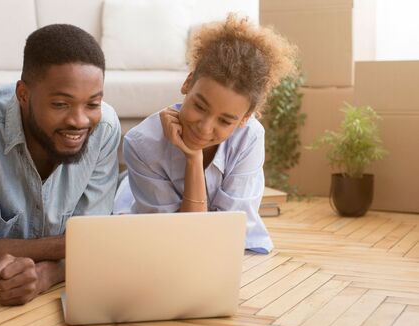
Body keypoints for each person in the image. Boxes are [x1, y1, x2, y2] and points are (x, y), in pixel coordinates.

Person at [114, 15, 296, 253]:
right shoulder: (142, 143)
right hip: (150, 225)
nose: (204, 128)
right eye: (200, 107)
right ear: (188, 83)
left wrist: (193, 156)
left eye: (225, 120)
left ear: (245, 118)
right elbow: (181, 242)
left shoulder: (249, 137)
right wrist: (194, 160)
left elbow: (224, 236)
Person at [0, 24, 121, 305]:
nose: (79, 121)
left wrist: (49, 274)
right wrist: (72, 244)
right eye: (60, 104)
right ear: (23, 94)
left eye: (92, 104)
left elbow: (93, 236)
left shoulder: (104, 128)